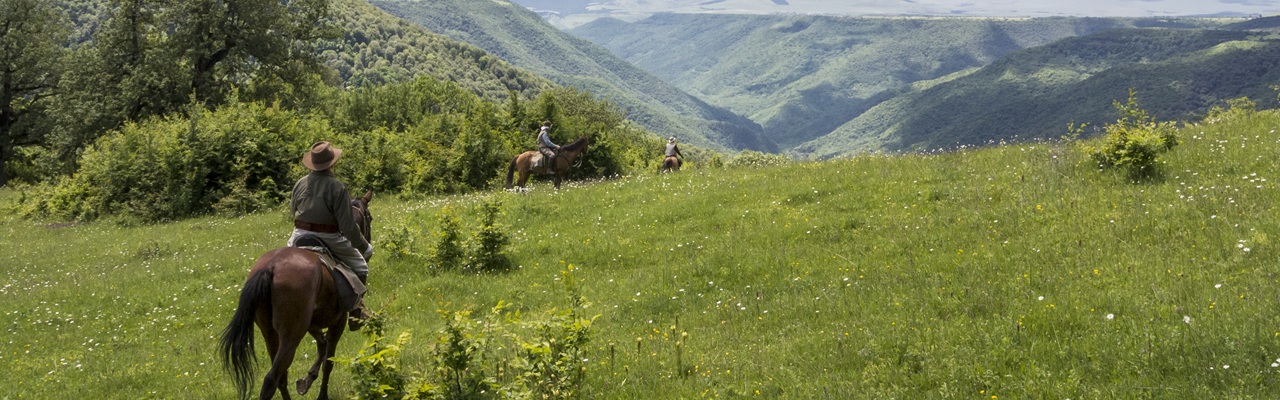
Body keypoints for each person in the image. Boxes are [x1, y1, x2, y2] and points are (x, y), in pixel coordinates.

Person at [288, 141, 374, 331]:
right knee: (361, 266)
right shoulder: (337, 187)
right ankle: (356, 313)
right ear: (332, 163)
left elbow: (293, 210)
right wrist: (364, 246)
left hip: (299, 234)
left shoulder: (300, 183)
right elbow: (347, 226)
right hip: (328, 237)